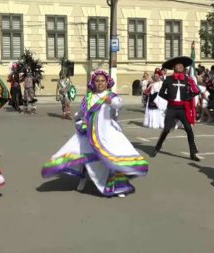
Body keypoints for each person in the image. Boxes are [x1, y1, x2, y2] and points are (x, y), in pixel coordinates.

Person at [41, 70, 149, 198]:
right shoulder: (88, 97)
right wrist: (80, 123)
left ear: (107, 82)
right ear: (93, 82)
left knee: (112, 158)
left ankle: (116, 187)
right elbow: (80, 115)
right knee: (85, 156)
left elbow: (118, 104)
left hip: (109, 133)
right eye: (97, 81)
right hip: (90, 132)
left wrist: (112, 102)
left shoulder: (111, 96)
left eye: (102, 81)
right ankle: (83, 180)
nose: (100, 83)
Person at [150, 56, 201, 161]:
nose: (181, 66)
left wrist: (188, 97)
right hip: (172, 108)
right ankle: (157, 147)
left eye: (182, 65)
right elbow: (161, 93)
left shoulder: (187, 79)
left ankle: (193, 153)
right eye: (178, 65)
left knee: (189, 129)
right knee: (166, 130)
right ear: (174, 67)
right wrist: (169, 99)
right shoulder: (168, 79)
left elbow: (196, 91)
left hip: (182, 109)